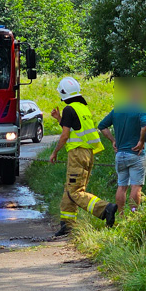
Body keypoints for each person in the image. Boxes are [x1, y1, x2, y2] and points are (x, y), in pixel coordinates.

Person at [49, 77, 118, 236]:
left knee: (75, 192)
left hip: (77, 154)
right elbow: (75, 129)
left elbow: (66, 135)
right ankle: (68, 225)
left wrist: (55, 152)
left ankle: (105, 208)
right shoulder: (82, 108)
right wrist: (59, 119)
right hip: (87, 154)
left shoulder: (69, 109)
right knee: (70, 188)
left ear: (63, 92)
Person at [98, 93, 146, 216]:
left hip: (120, 154)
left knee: (121, 186)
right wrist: (141, 141)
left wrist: (113, 141)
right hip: (136, 154)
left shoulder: (117, 110)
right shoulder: (141, 109)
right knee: (135, 187)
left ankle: (121, 215)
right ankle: (133, 215)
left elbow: (102, 126)